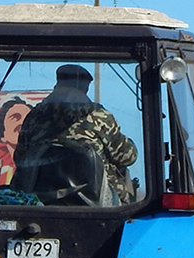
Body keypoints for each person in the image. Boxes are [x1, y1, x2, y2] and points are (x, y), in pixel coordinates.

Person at [13, 64, 137, 204]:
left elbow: (20, 158)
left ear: (58, 84)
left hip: (38, 200)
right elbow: (128, 157)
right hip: (99, 204)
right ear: (84, 89)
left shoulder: (34, 117)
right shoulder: (99, 117)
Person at [0, 96, 32, 186]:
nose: (22, 123)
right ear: (2, 133)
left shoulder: (43, 166)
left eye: (28, 118)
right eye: (15, 118)